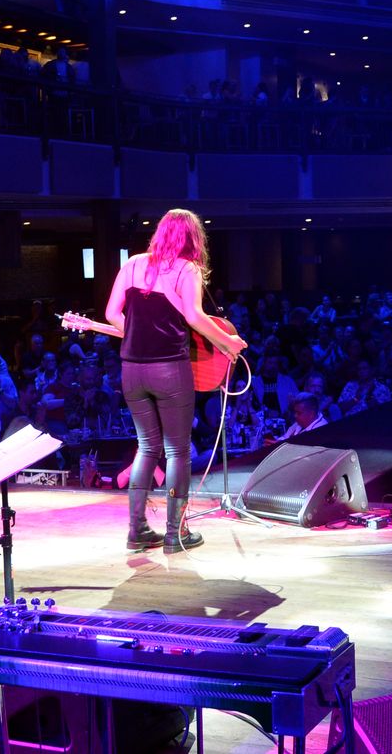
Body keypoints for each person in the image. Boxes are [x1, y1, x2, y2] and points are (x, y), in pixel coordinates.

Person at [95, 209, 246, 553]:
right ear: (193, 238)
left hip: (132, 370)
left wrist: (138, 336)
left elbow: (111, 314)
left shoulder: (133, 264)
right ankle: (175, 533)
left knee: (147, 447)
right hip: (169, 369)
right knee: (177, 451)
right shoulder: (186, 269)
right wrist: (228, 342)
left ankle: (137, 530)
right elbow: (194, 316)